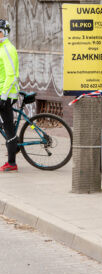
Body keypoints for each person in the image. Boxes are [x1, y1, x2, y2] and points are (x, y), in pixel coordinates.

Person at [0, 19, 20, 172]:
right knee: (7, 126)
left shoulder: (7, 48)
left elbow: (11, 75)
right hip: (2, 92)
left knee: (8, 128)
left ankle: (12, 163)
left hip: (6, 94)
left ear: (5, 33)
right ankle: (13, 144)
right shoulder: (2, 47)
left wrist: (4, 96)